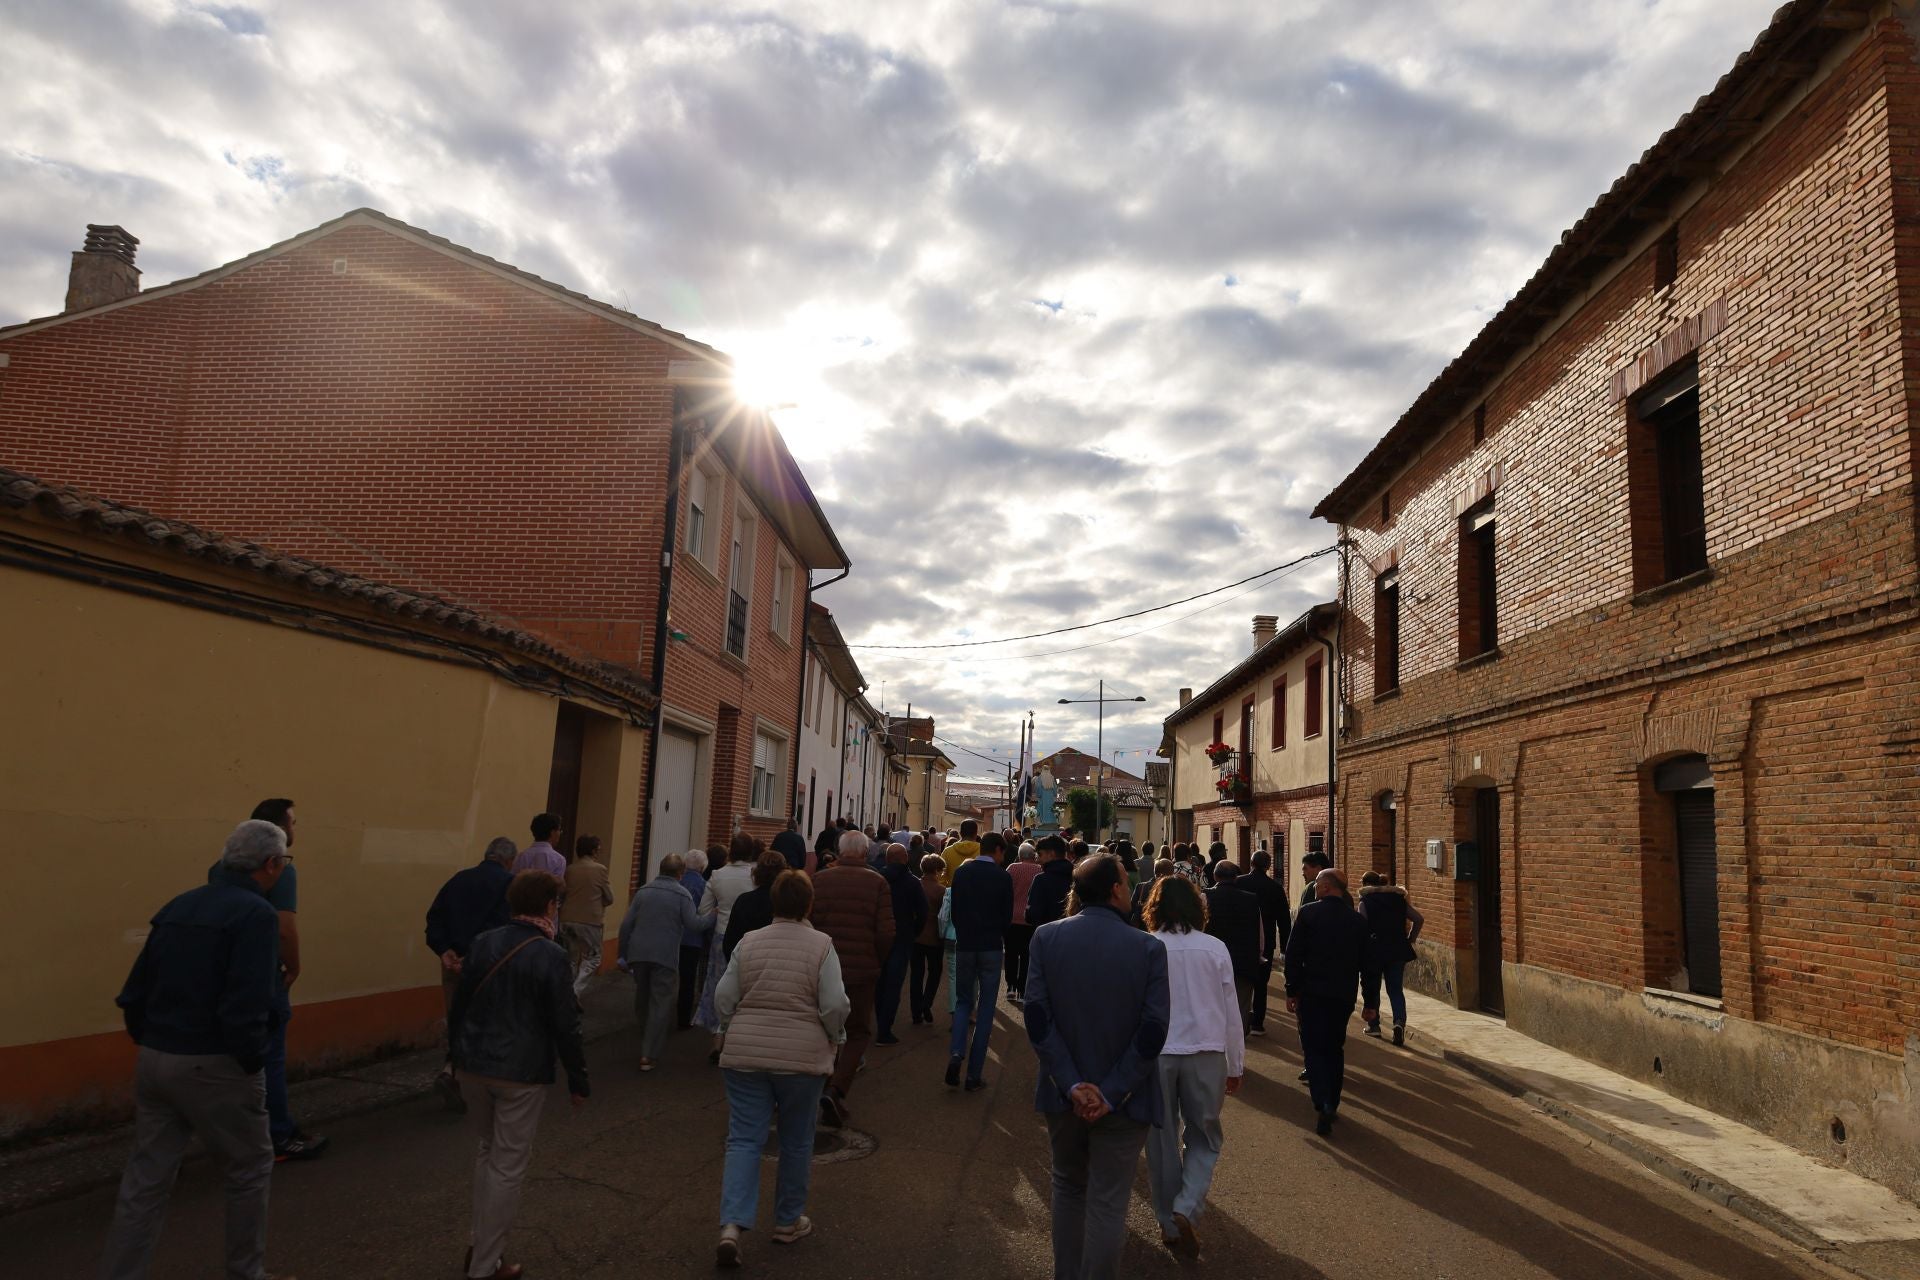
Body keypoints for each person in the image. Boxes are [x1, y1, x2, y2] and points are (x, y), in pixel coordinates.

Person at [101, 820, 290, 1280]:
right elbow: (248, 1000)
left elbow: (134, 991)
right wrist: (250, 1060)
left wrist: (151, 1039)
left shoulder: (178, 905)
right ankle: (247, 1273)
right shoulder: (256, 914)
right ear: (271, 864)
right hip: (216, 1062)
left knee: (145, 1181)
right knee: (248, 1168)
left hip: (157, 1056)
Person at [1023, 851, 1170, 1280]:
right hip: (1125, 1099)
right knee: (1108, 1201)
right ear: (1115, 890)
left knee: (1068, 1188)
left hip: (1062, 1094)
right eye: (1125, 880)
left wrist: (1070, 1084)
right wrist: (1112, 1090)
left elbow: (1037, 1016)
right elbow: (1154, 1028)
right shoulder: (1147, 948)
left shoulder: (1046, 939)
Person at [449, 870, 589, 1280]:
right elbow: (565, 1023)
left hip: (473, 1064)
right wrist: (578, 1080)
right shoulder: (551, 954)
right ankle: (484, 1264)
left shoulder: (483, 942)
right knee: (508, 1165)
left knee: (487, 1153)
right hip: (520, 1072)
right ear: (549, 905)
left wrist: (454, 1056)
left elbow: (459, 1006)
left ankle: (480, 1243)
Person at [714, 871, 850, 1268]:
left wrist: (730, 1026)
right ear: (809, 905)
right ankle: (787, 1220)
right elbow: (833, 1004)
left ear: (774, 903)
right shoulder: (822, 946)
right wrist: (834, 1037)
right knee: (796, 1139)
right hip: (801, 1058)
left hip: (745, 1055)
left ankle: (731, 1226)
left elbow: (725, 996)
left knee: (743, 1139)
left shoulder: (749, 942)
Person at [203, 798, 322, 1163]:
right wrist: (294, 967)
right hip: (263, 973)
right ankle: (279, 1134)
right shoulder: (280, 868)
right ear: (279, 829)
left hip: (224, 972)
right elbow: (285, 927)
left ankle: (240, 1130)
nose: (295, 829)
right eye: (293, 822)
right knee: (269, 1056)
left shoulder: (219, 868)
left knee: (230, 1059)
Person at [1142, 875, 1244, 1261]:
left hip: (1159, 1053)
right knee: (1205, 1136)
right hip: (1207, 1050)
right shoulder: (1214, 948)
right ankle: (1187, 1205)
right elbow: (1231, 1010)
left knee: (1161, 1138)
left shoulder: (1146, 946)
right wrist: (1236, 1062)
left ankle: (1169, 1224)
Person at [809, 830, 895, 1126]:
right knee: (857, 1032)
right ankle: (836, 1089)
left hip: (823, 968)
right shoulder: (877, 883)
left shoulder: (819, 879)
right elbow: (886, 932)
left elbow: (809, 923)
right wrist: (876, 961)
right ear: (864, 852)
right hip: (861, 971)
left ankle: (814, 1084)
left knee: (821, 1026)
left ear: (841, 850)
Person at [425, 836, 517, 1109]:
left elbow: (434, 917)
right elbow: (501, 926)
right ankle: (464, 1077)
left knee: (458, 1018)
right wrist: (473, 954)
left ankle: (452, 1072)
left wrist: (444, 950)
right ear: (509, 860)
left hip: (451, 963)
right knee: (483, 1021)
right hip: (486, 967)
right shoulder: (508, 884)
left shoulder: (458, 879)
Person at [1284, 868, 1371, 1137]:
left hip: (1311, 993)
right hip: (1342, 994)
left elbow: (1293, 954)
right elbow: (1368, 965)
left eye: (1317, 885)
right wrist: (1370, 1002)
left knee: (1313, 1047)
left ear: (1324, 888)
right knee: (1335, 1047)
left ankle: (1321, 1101)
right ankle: (1332, 1100)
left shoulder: (1308, 914)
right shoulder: (1357, 921)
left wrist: (1291, 989)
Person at [617, 853, 708, 1072]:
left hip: (639, 953)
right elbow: (694, 924)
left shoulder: (643, 891)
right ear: (680, 872)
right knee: (661, 1002)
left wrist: (622, 954)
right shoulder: (682, 894)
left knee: (643, 997)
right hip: (665, 955)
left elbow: (626, 925)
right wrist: (714, 915)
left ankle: (646, 1033)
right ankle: (648, 1054)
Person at [946, 831, 1013, 1090]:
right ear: (996, 850)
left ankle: (955, 1052)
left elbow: (955, 910)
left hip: (965, 944)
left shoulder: (962, 874)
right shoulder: (1002, 877)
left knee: (964, 1002)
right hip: (991, 947)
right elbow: (1006, 916)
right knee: (986, 1008)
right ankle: (974, 1074)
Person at [697, 835, 760, 1062]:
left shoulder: (717, 875)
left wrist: (719, 912)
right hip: (750, 936)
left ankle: (718, 1037)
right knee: (745, 986)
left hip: (721, 936)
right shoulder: (755, 875)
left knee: (719, 985)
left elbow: (703, 910)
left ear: (731, 851)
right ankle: (740, 1036)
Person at [1357, 871, 1424, 1046]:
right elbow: (1418, 919)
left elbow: (1362, 927)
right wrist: (1411, 938)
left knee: (1373, 988)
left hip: (1374, 951)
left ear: (1365, 885)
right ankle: (1399, 1023)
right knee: (1395, 990)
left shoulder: (1365, 902)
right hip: (1397, 950)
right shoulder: (1398, 899)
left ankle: (1374, 1026)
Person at [873, 842, 928, 1045]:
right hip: (902, 937)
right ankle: (884, 1030)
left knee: (880, 982)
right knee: (894, 985)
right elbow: (922, 912)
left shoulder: (877, 878)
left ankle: (879, 1021)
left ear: (887, 859)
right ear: (905, 859)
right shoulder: (912, 882)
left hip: (879, 937)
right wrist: (914, 932)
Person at [1204, 863, 1263, 1035]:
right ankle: (1238, 1045)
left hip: (1212, 962)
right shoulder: (1251, 899)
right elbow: (1259, 932)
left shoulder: (1205, 896)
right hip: (1243, 962)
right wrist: (1259, 955)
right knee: (1241, 1006)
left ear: (1215, 877)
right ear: (1235, 878)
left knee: (1213, 1002)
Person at [1242, 849, 1293, 1037]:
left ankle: (1241, 1019)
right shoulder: (1275, 888)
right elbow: (1284, 920)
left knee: (1242, 982)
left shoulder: (1240, 883)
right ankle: (1257, 1024)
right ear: (1268, 866)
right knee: (1261, 984)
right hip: (1267, 942)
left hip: (1243, 940)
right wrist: (1286, 947)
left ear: (1251, 863)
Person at [559, 834, 613, 997]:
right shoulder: (600, 870)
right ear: (592, 850)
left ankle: (565, 992)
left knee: (571, 959)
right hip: (590, 920)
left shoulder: (570, 869)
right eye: (598, 848)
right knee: (592, 958)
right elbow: (609, 897)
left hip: (567, 918)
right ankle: (575, 992)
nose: (599, 850)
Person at [723, 851, 791, 962]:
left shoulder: (744, 901)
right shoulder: (787, 902)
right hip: (779, 962)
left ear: (757, 873)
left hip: (748, 962)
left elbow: (730, 942)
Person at [676, 847, 713, 1029]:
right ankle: (683, 1019)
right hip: (693, 938)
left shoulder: (677, 882)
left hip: (673, 937)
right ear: (702, 867)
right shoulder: (704, 886)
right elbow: (704, 912)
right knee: (688, 980)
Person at [910, 852, 947, 1025]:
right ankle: (927, 1002)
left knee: (916, 974)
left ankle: (916, 1011)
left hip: (916, 936)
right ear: (938, 870)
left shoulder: (916, 885)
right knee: (935, 972)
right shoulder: (941, 891)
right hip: (935, 938)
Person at [1004, 841, 1042, 1005]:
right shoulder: (1039, 870)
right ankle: (1022, 989)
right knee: (1027, 955)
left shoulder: (1012, 868)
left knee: (1011, 953)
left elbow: (1005, 891)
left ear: (1019, 855)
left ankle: (1010, 986)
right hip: (1030, 918)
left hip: (1012, 918)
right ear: (1033, 856)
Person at [1026, 834, 1073, 928]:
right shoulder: (1077, 877)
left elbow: (1032, 915)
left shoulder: (1041, 880)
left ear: (1051, 854)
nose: (1037, 860)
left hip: (1047, 934)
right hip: (1073, 934)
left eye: (1040, 854)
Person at [511, 813, 566, 880]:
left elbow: (514, 882)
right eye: (559, 830)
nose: (560, 834)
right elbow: (557, 887)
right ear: (552, 832)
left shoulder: (521, 856)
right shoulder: (559, 860)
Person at [1129, 856, 1170, 928]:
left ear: (1154, 871)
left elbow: (1130, 909)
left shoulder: (1141, 887)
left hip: (1142, 929)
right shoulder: (1173, 890)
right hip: (1163, 931)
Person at [939, 818, 981, 886]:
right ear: (976, 834)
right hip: (977, 894)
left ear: (960, 833)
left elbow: (940, 877)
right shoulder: (984, 851)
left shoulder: (947, 851)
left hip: (953, 893)